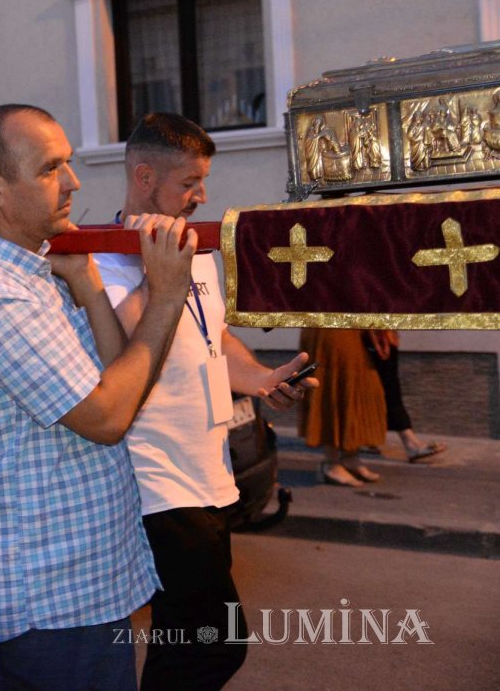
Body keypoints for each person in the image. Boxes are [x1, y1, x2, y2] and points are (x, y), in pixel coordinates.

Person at [0, 104, 198, 691]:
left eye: (69, 164)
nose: (73, 182)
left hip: (74, 594)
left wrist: (88, 284)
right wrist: (167, 295)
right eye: (50, 170)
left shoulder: (29, 275)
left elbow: (114, 372)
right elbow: (107, 416)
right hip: (42, 607)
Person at [94, 112, 316, 691]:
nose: (202, 196)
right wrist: (152, 269)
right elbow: (134, 351)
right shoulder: (101, 263)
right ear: (144, 176)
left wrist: (263, 379)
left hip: (210, 473)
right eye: (189, 182)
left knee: (184, 643)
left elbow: (213, 335)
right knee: (216, 645)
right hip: (156, 483)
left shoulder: (193, 251)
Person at [300, 328, 386, 486]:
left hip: (351, 325)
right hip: (327, 321)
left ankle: (350, 456)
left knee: (358, 387)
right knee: (332, 386)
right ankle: (331, 463)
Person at [365, 330, 447, 462]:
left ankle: (364, 438)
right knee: (388, 388)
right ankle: (410, 442)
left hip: (379, 330)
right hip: (371, 332)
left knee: (385, 386)